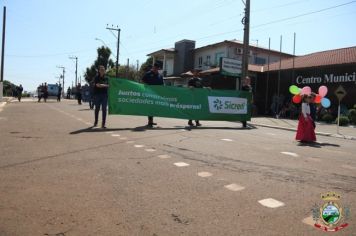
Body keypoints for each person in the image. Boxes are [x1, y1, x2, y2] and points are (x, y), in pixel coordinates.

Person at [141, 63, 164, 128]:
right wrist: (147, 86)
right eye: (155, 67)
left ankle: (151, 120)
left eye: (157, 68)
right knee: (150, 107)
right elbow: (143, 80)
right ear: (153, 67)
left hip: (157, 94)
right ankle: (150, 121)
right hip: (149, 93)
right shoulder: (148, 74)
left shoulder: (160, 76)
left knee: (154, 107)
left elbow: (162, 85)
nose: (156, 69)